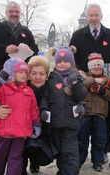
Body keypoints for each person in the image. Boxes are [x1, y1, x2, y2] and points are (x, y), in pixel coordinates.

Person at [0, 1, 38, 149]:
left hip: (19, 77)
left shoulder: (26, 31)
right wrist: (5, 48)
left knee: (14, 105)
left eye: (16, 12)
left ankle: (14, 131)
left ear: (20, 14)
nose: (14, 14)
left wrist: (28, 50)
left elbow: (35, 49)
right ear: (6, 13)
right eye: (11, 11)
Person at [69, 3, 110, 163]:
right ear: (87, 17)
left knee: (107, 119)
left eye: (96, 15)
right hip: (84, 84)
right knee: (83, 121)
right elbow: (72, 58)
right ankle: (80, 152)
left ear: (101, 16)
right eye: (91, 15)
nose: (94, 18)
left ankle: (103, 151)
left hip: (105, 84)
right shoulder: (77, 35)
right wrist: (80, 74)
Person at [0, 57, 41, 175]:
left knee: (16, 157)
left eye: (25, 72)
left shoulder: (28, 91)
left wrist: (36, 123)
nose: (24, 75)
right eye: (20, 72)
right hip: (5, 130)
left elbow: (34, 109)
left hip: (21, 131)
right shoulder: (3, 88)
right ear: (11, 73)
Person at [39, 46, 88, 175]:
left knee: (70, 151)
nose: (62, 64)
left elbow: (82, 96)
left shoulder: (76, 77)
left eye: (65, 61)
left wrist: (75, 83)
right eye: (59, 61)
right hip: (54, 122)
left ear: (71, 62)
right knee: (60, 150)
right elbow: (45, 97)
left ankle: (70, 172)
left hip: (70, 122)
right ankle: (63, 171)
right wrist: (43, 109)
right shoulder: (51, 79)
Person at [78, 52, 110, 172]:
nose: (98, 71)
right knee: (82, 138)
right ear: (90, 68)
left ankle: (97, 161)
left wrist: (102, 91)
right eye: (95, 69)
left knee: (99, 139)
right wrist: (94, 81)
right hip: (86, 113)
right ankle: (79, 159)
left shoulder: (107, 80)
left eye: (100, 69)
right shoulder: (84, 77)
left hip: (100, 115)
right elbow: (81, 87)